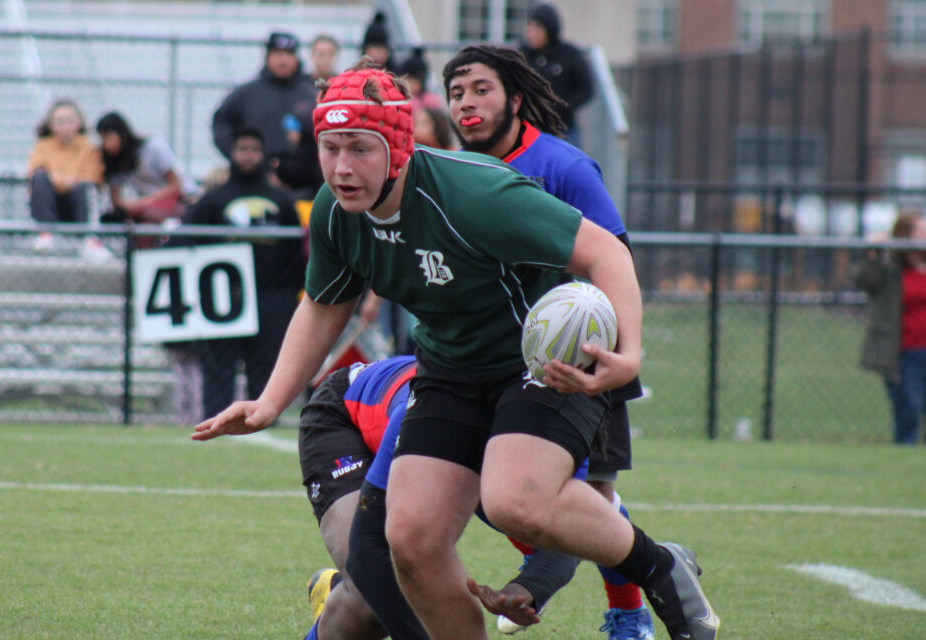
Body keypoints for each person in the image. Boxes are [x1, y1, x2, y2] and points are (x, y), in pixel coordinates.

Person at [193, 61, 718, 640]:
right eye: (329, 147)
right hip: (447, 370)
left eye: (360, 148)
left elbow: (605, 254)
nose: (342, 167)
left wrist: (631, 351)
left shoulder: (474, 191)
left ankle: (660, 566)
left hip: (538, 365)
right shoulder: (334, 212)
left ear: (398, 145)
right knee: (411, 542)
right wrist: (269, 402)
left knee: (515, 502)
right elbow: (323, 305)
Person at [443, 44, 653, 638]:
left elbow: (614, 258)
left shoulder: (564, 166)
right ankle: (546, 564)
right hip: (490, 362)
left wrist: (610, 348)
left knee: (593, 494)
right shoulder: (453, 172)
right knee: (498, 485)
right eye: (457, 94)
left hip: (580, 358)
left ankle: (628, 614)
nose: (467, 104)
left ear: (513, 97)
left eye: (481, 89)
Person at [300, 355, 591, 640]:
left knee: (384, 592)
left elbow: (573, 537)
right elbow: (369, 555)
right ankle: (342, 593)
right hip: (344, 412)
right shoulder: (437, 417)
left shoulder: (557, 437)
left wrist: (528, 588)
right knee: (373, 594)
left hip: (431, 430)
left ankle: (336, 591)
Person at [179, 127, 306, 418]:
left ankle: (261, 420)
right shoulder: (212, 202)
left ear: (263, 154)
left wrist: (290, 294)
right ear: (231, 153)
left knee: (265, 368)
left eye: (254, 150)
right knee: (218, 368)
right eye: (242, 149)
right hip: (224, 301)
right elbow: (187, 245)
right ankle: (215, 423)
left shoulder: (282, 201)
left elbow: (296, 255)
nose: (248, 156)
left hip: (272, 298)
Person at [856, 211, 926, 445]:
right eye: (921, 231)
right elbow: (865, 280)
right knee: (909, 406)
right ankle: (904, 452)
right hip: (906, 351)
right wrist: (873, 252)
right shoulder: (892, 269)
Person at [211, 31, 317, 166]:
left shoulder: (311, 94)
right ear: (267, 57)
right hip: (257, 177)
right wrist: (242, 157)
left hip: (302, 179)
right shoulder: (246, 94)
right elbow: (221, 124)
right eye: (278, 55)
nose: (283, 61)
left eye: (288, 55)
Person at [26, 98, 106, 257]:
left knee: (85, 187)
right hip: (51, 203)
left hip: (77, 203)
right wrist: (64, 181)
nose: (66, 127)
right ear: (51, 125)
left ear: (79, 122)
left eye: (70, 121)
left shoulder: (89, 147)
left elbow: (94, 175)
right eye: (60, 122)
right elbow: (35, 170)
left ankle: (89, 239)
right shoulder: (43, 146)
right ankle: (46, 234)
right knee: (40, 178)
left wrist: (66, 181)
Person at [95, 111, 193, 230]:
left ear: (122, 134)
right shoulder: (116, 161)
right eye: (102, 139)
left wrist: (143, 202)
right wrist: (128, 204)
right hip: (147, 205)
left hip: (181, 199)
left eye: (108, 137)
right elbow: (116, 198)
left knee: (148, 218)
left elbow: (176, 186)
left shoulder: (153, 147)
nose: (106, 144)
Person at [519, 3, 593, 147]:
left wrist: (560, 105)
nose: (532, 34)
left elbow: (586, 90)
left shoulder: (570, 54)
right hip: (530, 129)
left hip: (564, 129)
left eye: (537, 28)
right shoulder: (523, 54)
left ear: (549, 29)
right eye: (530, 27)